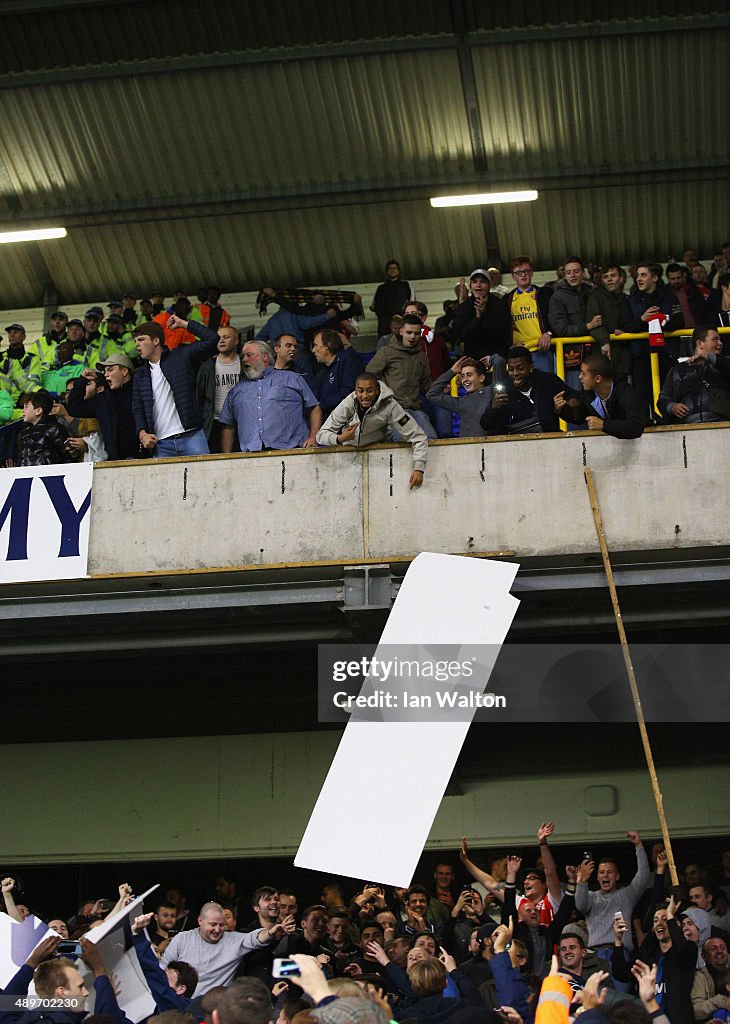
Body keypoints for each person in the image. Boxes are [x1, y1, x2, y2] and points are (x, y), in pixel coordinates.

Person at [316, 372, 427, 490]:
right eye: (360, 391)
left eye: (369, 390)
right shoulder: (348, 403)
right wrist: (340, 438)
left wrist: (419, 468)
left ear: (377, 390)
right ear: (355, 391)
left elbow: (418, 436)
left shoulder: (390, 406)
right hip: (349, 460)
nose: (364, 396)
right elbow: (320, 435)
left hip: (380, 459)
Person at [132, 314, 221, 458]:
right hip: (161, 443)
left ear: (156, 341)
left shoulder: (181, 356)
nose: (137, 344)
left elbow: (212, 340)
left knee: (204, 479)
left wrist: (184, 324)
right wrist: (142, 434)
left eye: (141, 339)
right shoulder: (140, 375)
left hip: (191, 435)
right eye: (135, 341)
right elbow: (137, 408)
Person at [161, 901, 291, 996]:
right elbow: (163, 971)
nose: (217, 930)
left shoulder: (233, 940)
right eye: (212, 924)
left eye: (221, 925)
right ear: (200, 921)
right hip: (183, 1005)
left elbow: (255, 938)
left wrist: (270, 933)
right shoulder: (182, 939)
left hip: (216, 1010)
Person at [218, 340, 322, 452]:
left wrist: (313, 438)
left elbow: (314, 408)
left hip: (292, 451)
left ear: (265, 356)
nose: (244, 359)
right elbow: (228, 426)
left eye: (249, 355)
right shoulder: (236, 391)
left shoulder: (292, 378)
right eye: (243, 356)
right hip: (252, 456)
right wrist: (227, 458)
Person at [366, 314, 436, 439]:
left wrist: (438, 389)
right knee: (402, 441)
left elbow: (425, 383)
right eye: (409, 332)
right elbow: (369, 377)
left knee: (431, 438)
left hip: (414, 408)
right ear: (401, 331)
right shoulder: (387, 352)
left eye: (416, 333)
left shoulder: (422, 356)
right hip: (393, 408)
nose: (413, 336)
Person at [481, 346, 576, 435]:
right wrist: (493, 408)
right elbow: (486, 426)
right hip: (517, 445)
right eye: (511, 369)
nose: (515, 373)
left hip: (550, 441)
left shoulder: (548, 380)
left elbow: (577, 414)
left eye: (520, 368)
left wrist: (563, 408)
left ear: (531, 366)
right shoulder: (504, 390)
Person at [66, 353, 139, 461]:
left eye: (110, 370)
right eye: (104, 371)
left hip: (144, 456)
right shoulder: (103, 399)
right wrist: (83, 380)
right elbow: (74, 408)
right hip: (115, 460)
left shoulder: (140, 391)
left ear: (124, 371)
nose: (106, 374)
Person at [555, 354, 645, 438]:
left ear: (598, 378)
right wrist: (561, 409)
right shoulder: (589, 394)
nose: (579, 377)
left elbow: (636, 427)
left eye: (583, 374)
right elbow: (579, 417)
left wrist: (603, 425)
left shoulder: (626, 393)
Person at [657, 326, 730, 423]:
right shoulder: (678, 370)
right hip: (688, 429)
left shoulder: (723, 363)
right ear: (700, 343)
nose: (720, 343)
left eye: (720, 340)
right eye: (715, 339)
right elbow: (663, 399)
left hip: (723, 424)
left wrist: (708, 357)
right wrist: (672, 407)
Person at [496, 256, 554, 372]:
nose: (523, 275)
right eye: (518, 272)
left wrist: (548, 333)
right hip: (518, 354)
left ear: (531, 273)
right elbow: (500, 327)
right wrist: (509, 346)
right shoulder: (506, 301)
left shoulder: (545, 294)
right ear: (513, 276)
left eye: (526, 271)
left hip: (541, 351)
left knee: (546, 386)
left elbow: (554, 317)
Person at [196, 325, 243, 452]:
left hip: (241, 422)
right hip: (214, 423)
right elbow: (200, 397)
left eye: (226, 337)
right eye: (218, 338)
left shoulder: (245, 364)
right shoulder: (207, 367)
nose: (221, 341)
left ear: (236, 340)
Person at [450, 270, 506, 373]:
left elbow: (503, 333)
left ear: (489, 285)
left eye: (482, 282)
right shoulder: (464, 307)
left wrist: (485, 315)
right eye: (475, 282)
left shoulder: (499, 305)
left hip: (496, 360)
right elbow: (459, 335)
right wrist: (477, 317)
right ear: (471, 286)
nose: (478, 285)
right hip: (473, 362)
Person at [586, 264, 633, 381]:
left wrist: (624, 330)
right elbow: (594, 323)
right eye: (606, 277)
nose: (610, 279)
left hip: (623, 355)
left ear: (621, 278)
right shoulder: (595, 297)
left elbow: (629, 322)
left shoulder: (625, 298)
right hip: (603, 354)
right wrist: (604, 341)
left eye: (613, 275)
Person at [311, 328, 363, 418]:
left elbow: (349, 394)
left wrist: (320, 406)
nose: (313, 350)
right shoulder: (322, 371)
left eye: (316, 345)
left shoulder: (348, 360)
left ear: (328, 345)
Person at [15, 390, 69, 466]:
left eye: (26, 407)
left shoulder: (55, 429)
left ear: (38, 410)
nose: (23, 411)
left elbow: (66, 456)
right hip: (25, 475)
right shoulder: (22, 433)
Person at [370, 261, 412, 338]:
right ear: (387, 271)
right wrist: (382, 315)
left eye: (395, 268)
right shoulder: (381, 288)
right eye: (390, 268)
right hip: (385, 322)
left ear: (398, 271)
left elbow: (412, 302)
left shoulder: (405, 285)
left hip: (402, 319)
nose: (392, 270)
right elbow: (373, 306)